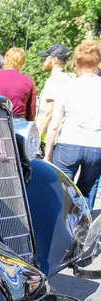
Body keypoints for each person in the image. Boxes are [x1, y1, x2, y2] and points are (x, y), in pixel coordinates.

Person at [44, 40, 101, 210]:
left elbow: (55, 125)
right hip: (96, 147)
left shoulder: (67, 86)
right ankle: (84, 230)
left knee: (62, 190)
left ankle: (60, 228)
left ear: (76, 61)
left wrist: (48, 154)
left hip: (69, 143)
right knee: (87, 192)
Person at [0, 47, 36, 121]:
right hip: (17, 125)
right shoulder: (28, 81)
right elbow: (31, 114)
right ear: (22, 63)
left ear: (5, 60)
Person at [36, 44, 72, 150]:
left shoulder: (53, 81)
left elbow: (48, 113)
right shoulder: (68, 79)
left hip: (47, 138)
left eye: (45, 58)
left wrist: (36, 138)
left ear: (54, 59)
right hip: (62, 137)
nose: (43, 61)